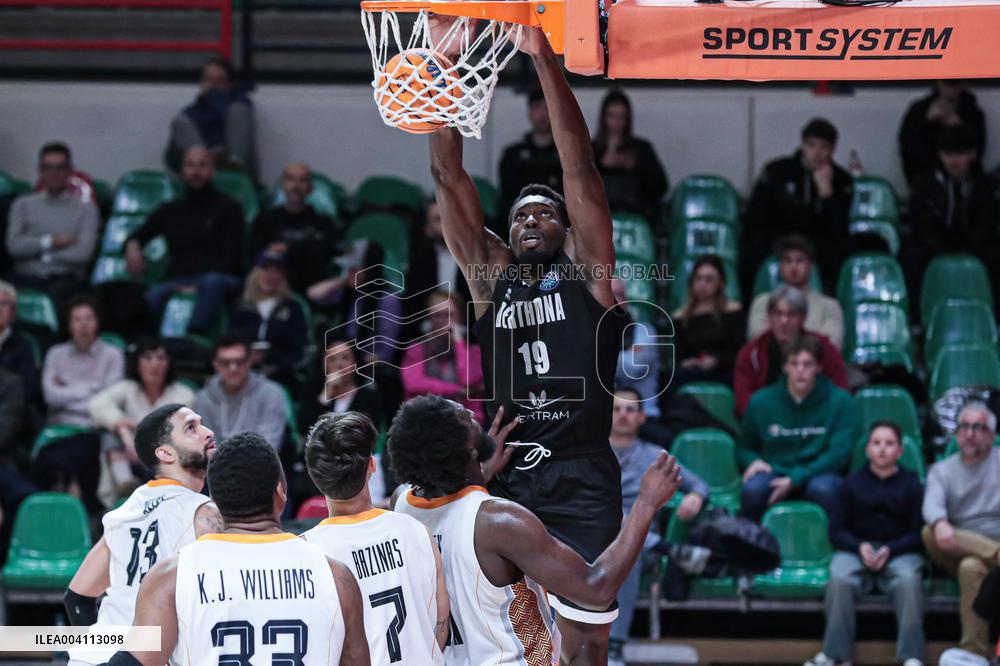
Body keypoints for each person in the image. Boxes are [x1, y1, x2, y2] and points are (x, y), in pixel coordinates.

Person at [429, 22, 631, 662]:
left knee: (587, 643)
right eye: (520, 216)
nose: (532, 220)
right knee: (511, 638)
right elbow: (447, 175)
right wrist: (445, 69)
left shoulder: (589, 275)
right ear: (507, 235)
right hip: (509, 476)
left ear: (568, 229)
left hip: (582, 475)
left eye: (546, 212)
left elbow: (580, 165)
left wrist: (544, 58)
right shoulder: (491, 281)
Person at [389, 394, 683, 666]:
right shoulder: (499, 521)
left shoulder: (401, 504)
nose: (469, 410)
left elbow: (449, 516)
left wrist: (479, 473)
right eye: (462, 417)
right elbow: (596, 589)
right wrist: (646, 504)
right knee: (584, 643)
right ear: (467, 450)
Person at [113, 431, 370, 665]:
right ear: (280, 491)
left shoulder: (171, 577)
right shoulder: (336, 576)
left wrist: (89, 640)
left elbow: (133, 661)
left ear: (215, 500)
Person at [64, 404, 222, 666]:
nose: (207, 432)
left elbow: (77, 599)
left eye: (201, 423)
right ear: (165, 453)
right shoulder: (205, 514)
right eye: (191, 428)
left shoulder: (123, 514)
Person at [301, 411, 448, 665]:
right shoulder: (417, 530)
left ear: (315, 476)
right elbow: (440, 626)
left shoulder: (305, 552)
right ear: (372, 465)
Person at [807, 422, 925, 666]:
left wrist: (891, 549)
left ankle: (911, 657)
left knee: (909, 580)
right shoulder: (850, 483)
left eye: (889, 443)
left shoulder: (913, 484)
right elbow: (836, 531)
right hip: (857, 550)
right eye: (876, 443)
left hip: (899, 550)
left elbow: (918, 533)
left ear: (900, 451)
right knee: (839, 577)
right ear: (867, 449)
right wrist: (859, 547)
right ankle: (836, 655)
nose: (882, 449)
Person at [608, 387, 709, 666]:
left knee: (630, 548)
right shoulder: (593, 456)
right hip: (594, 542)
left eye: (630, 409)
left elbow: (700, 485)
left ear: (642, 417)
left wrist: (695, 496)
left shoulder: (655, 457)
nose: (623, 415)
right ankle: (669, 549)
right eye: (616, 409)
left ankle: (614, 645)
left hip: (641, 547)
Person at [124, 145, 245, 336]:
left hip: (220, 277)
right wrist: (132, 246)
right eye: (190, 165)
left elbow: (233, 255)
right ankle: (143, 342)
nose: (196, 171)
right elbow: (138, 235)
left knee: (212, 283)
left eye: (202, 165)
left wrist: (197, 285)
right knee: (151, 295)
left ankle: (193, 337)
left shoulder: (229, 207)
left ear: (212, 170)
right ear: (182, 171)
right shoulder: (170, 210)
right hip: (179, 279)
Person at [737, 335, 859, 522]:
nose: (800, 371)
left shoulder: (841, 401)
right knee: (753, 490)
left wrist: (796, 479)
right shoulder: (761, 401)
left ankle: (834, 539)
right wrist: (753, 461)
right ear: (785, 367)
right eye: (794, 364)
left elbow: (839, 453)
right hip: (775, 470)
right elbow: (743, 447)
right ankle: (750, 539)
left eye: (807, 364)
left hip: (819, 472)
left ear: (819, 367)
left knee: (826, 490)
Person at [922, 402, 1000, 658]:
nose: (969, 433)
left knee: (970, 567)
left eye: (978, 427)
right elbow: (931, 505)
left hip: (991, 543)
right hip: (957, 544)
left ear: (992, 435)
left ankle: (973, 653)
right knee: (929, 531)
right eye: (964, 426)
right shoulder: (942, 470)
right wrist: (940, 522)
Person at [742, 118, 854, 294]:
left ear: (833, 149)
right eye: (811, 145)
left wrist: (827, 195)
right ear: (802, 144)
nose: (816, 153)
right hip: (778, 237)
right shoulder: (777, 171)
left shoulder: (842, 180)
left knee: (842, 250)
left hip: (817, 242)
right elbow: (757, 215)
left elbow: (838, 227)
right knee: (751, 250)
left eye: (823, 147)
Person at [35, 295, 124, 513]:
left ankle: (79, 504)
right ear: (69, 324)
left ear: (98, 322)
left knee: (82, 452)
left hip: (94, 429)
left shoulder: (112, 355)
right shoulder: (56, 354)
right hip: (58, 430)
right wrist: (90, 389)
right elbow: (50, 396)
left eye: (89, 319)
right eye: (77, 319)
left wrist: (66, 390)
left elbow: (109, 402)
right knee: (48, 457)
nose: (83, 325)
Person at [902, 125, 1000, 300]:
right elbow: (923, 225)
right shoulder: (924, 184)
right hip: (935, 245)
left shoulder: (985, 186)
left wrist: (967, 250)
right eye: (947, 154)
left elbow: (987, 224)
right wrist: (944, 250)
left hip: (973, 244)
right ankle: (917, 313)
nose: (953, 161)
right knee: (912, 256)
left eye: (959, 154)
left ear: (972, 154)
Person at [88, 338, 195, 498]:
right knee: (108, 433)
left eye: (161, 358)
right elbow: (96, 404)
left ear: (169, 364)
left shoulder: (184, 394)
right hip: (130, 460)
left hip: (166, 462)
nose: (155, 364)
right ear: (137, 363)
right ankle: (125, 483)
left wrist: (133, 431)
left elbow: (170, 431)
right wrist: (121, 426)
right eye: (148, 358)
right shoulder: (128, 387)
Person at [5, 142, 99, 305]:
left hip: (66, 281)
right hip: (24, 277)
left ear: (69, 171)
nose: (54, 173)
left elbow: (82, 254)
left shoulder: (87, 210)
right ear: (40, 170)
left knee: (65, 295)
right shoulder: (22, 205)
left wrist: (36, 253)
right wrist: (51, 242)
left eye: (60, 167)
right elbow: (14, 246)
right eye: (48, 167)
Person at [734, 285, 848, 417]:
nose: (784, 321)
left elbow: (840, 393)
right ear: (769, 317)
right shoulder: (750, 353)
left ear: (803, 318)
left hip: (816, 421)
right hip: (767, 422)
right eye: (778, 314)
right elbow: (744, 403)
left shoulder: (824, 349)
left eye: (792, 314)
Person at [248, 163, 339, 294]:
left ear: (310, 188)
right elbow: (254, 254)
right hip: (272, 284)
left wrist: (288, 250)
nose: (296, 186)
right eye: (290, 179)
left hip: (309, 286)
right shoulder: (264, 219)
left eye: (302, 180)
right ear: (282, 185)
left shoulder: (323, 222)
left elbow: (323, 256)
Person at [165, 57, 257, 180]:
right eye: (208, 80)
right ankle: (206, 163)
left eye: (219, 81)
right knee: (180, 122)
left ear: (230, 85)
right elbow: (171, 156)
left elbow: (228, 116)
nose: (212, 86)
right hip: (203, 173)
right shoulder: (191, 112)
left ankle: (233, 166)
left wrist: (212, 96)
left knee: (238, 111)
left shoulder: (239, 102)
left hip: (239, 170)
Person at [228, 251, 309, 392]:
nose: (270, 275)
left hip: (281, 376)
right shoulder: (241, 307)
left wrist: (271, 358)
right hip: (242, 373)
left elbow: (300, 350)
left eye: (276, 271)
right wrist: (247, 356)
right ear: (255, 273)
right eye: (265, 269)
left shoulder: (293, 308)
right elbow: (229, 343)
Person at [193, 333, 288, 452]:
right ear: (215, 364)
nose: (233, 368)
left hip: (260, 462)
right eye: (225, 362)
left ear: (250, 361)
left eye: (239, 361)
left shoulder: (271, 394)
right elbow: (206, 448)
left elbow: (269, 448)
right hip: (215, 463)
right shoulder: (204, 399)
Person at [401, 290, 484, 424]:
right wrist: (457, 389)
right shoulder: (417, 349)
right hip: (422, 419)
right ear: (429, 318)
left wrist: (458, 343)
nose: (443, 321)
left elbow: (468, 380)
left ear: (460, 316)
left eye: (449, 315)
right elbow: (413, 384)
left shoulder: (474, 351)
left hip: (464, 422)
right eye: (437, 315)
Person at [747, 235, 844, 349]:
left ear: (810, 266)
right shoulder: (762, 302)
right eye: (788, 261)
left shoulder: (829, 306)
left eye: (800, 260)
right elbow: (757, 342)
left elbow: (832, 346)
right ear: (780, 266)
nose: (794, 267)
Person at [592, 89, 668, 221]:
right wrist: (602, 166)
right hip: (601, 218)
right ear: (603, 118)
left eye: (621, 117)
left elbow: (661, 187)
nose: (616, 122)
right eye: (612, 116)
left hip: (637, 217)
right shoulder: (591, 150)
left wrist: (635, 167)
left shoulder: (642, 149)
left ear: (628, 119)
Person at [671, 254, 745, 389]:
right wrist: (690, 362)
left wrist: (717, 361)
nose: (702, 284)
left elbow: (740, 352)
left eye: (709, 279)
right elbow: (679, 357)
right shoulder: (680, 317)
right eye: (698, 278)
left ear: (720, 282)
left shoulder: (733, 311)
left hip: (725, 371)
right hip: (693, 372)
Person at [497, 88, 563, 237]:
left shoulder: (565, 155)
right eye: (537, 107)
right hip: (518, 223)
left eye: (547, 108)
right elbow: (507, 197)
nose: (542, 114)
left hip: (557, 224)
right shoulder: (513, 155)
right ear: (530, 112)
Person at [899, 80, 986, 187]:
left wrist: (960, 127)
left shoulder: (973, 113)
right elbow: (907, 147)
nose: (950, 90)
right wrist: (926, 122)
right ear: (937, 82)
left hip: (965, 182)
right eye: (946, 83)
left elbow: (977, 152)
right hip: (925, 179)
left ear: (962, 84)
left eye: (954, 84)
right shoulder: (919, 110)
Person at [0, 279, 40, 406]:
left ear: (13, 312)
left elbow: (27, 388)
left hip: (10, 408)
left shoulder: (23, 346)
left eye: (4, 304)